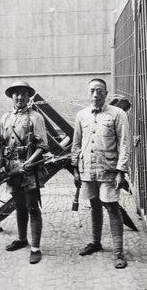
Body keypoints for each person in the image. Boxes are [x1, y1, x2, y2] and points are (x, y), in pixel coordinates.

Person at [71, 78, 130, 269]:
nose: (95, 95)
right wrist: (75, 169)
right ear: (88, 93)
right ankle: (96, 242)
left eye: (99, 91)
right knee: (94, 206)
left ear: (106, 93)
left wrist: (121, 171)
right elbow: (76, 144)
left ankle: (118, 252)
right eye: (92, 91)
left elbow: (124, 144)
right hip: (88, 170)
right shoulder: (81, 115)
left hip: (109, 171)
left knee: (112, 208)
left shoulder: (117, 114)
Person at [0, 80, 49, 264]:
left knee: (33, 207)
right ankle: (21, 239)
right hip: (12, 170)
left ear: (28, 96)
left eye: (23, 93)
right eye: (16, 93)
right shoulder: (5, 118)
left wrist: (29, 162)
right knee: (19, 206)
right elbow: (0, 144)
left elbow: (43, 146)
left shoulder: (35, 117)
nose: (20, 97)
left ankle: (35, 248)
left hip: (29, 170)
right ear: (11, 96)